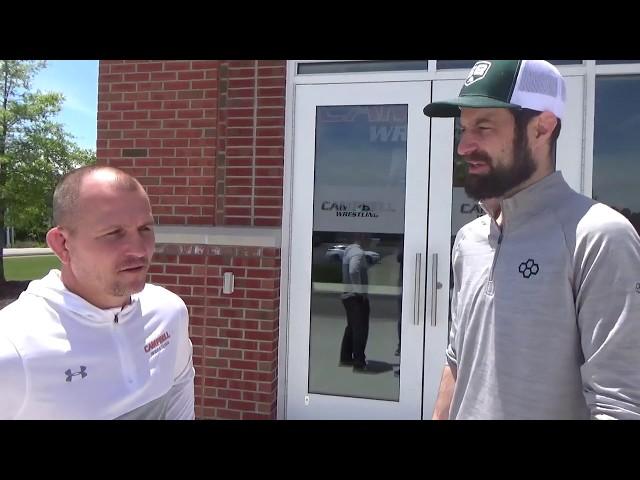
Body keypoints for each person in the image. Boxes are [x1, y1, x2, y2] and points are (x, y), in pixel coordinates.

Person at [424, 60, 640, 419]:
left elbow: (619, 404)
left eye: (484, 126)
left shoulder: (598, 237)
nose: (464, 146)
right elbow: (457, 361)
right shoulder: (469, 240)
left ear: (542, 128)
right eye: (464, 128)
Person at [0, 166, 195, 419]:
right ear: (62, 244)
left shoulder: (169, 313)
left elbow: (179, 389)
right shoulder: (13, 348)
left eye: (145, 229)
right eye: (114, 233)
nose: (138, 249)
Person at [339, 233, 373, 373]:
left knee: (352, 327)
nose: (371, 241)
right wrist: (359, 291)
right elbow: (354, 270)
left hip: (347, 296)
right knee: (360, 329)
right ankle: (359, 361)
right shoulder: (358, 252)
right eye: (369, 238)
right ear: (362, 238)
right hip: (355, 297)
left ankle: (346, 357)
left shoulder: (349, 251)